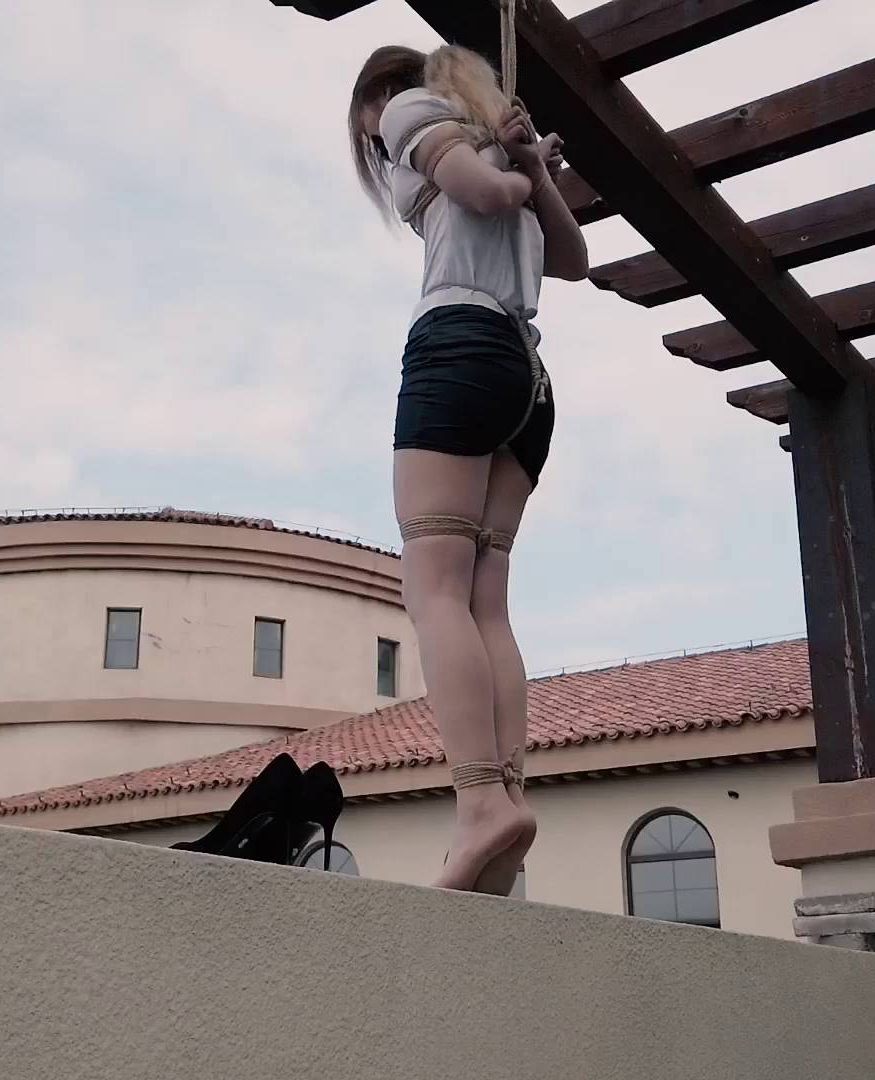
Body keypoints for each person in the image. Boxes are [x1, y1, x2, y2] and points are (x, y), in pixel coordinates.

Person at [347, 44, 588, 893]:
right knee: (486, 596)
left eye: (366, 127)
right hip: (528, 378)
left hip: (459, 348)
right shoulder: (499, 140)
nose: (376, 143)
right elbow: (573, 259)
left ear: (380, 95)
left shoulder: (410, 111)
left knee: (433, 589)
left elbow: (486, 195)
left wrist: (513, 177)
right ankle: (507, 796)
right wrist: (528, 166)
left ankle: (480, 802)